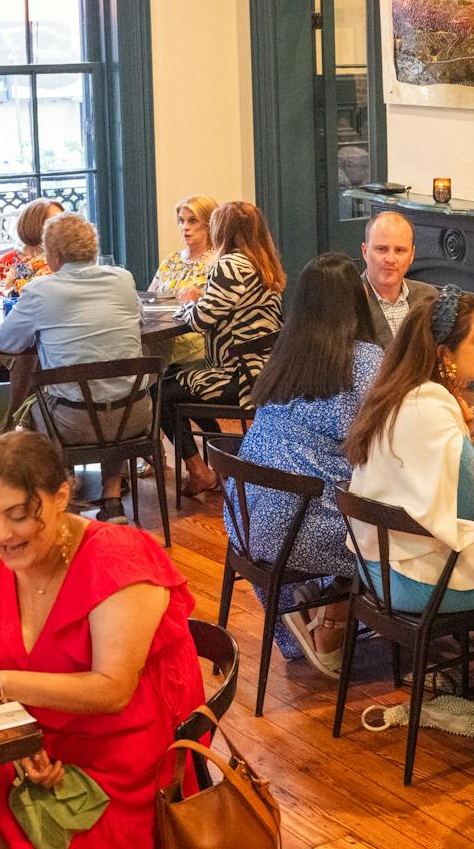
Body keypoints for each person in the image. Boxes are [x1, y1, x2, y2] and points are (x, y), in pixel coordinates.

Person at [0, 430, 206, 848]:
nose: (1, 534)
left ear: (60, 496)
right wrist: (22, 745)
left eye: (18, 514)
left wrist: (2, 687)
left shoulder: (116, 558)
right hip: (37, 737)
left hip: (126, 749)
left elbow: (113, 691)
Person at [236, 253, 386, 677]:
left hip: (247, 516)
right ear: (358, 300)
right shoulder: (365, 360)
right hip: (300, 522)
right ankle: (334, 621)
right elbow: (385, 439)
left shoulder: (285, 349)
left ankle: (309, 610)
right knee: (392, 530)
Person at [343, 287, 474, 615]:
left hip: (374, 571)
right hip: (419, 582)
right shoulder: (433, 411)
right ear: (446, 355)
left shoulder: (395, 394)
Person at [0, 211, 146, 523]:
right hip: (137, 415)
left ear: (54, 255)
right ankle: (112, 497)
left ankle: (60, 498)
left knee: (29, 411)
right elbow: (139, 322)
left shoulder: (40, 291)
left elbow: (6, 343)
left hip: (72, 423)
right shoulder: (123, 280)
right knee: (111, 387)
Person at [166, 199, 285, 494]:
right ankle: (222, 466)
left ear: (222, 230)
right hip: (263, 373)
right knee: (181, 382)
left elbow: (201, 320)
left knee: (158, 391)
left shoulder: (230, 264)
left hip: (238, 378)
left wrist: (188, 304)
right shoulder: (263, 262)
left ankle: (200, 471)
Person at [360, 211, 441, 348]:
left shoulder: (429, 296)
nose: (390, 259)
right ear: (365, 252)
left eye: (399, 250)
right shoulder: (350, 301)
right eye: (382, 249)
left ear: (411, 255)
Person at [149, 193, 218, 297]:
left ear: (209, 224)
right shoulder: (170, 260)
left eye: (193, 221)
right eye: (181, 221)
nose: (184, 227)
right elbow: (150, 298)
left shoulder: (218, 262)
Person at [0, 197, 64, 293]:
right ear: (34, 225)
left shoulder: (66, 258)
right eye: (55, 222)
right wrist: (8, 287)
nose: (64, 226)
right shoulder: (8, 261)